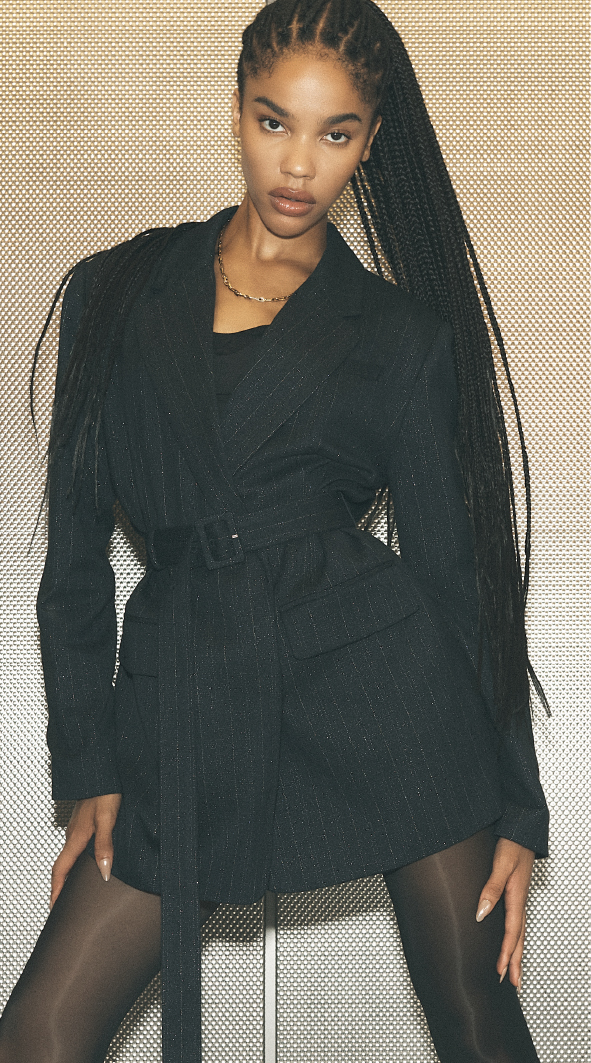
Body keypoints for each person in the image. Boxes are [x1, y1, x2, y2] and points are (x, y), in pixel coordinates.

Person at [0, 1, 550, 1061]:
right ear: (236, 111)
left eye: (335, 132)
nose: (299, 164)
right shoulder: (112, 293)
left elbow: (459, 584)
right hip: (189, 699)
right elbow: (72, 569)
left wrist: (518, 810)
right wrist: (89, 764)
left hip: (390, 699)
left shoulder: (400, 337)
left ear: (370, 142)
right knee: (42, 1030)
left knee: (477, 1022)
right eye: (274, 121)